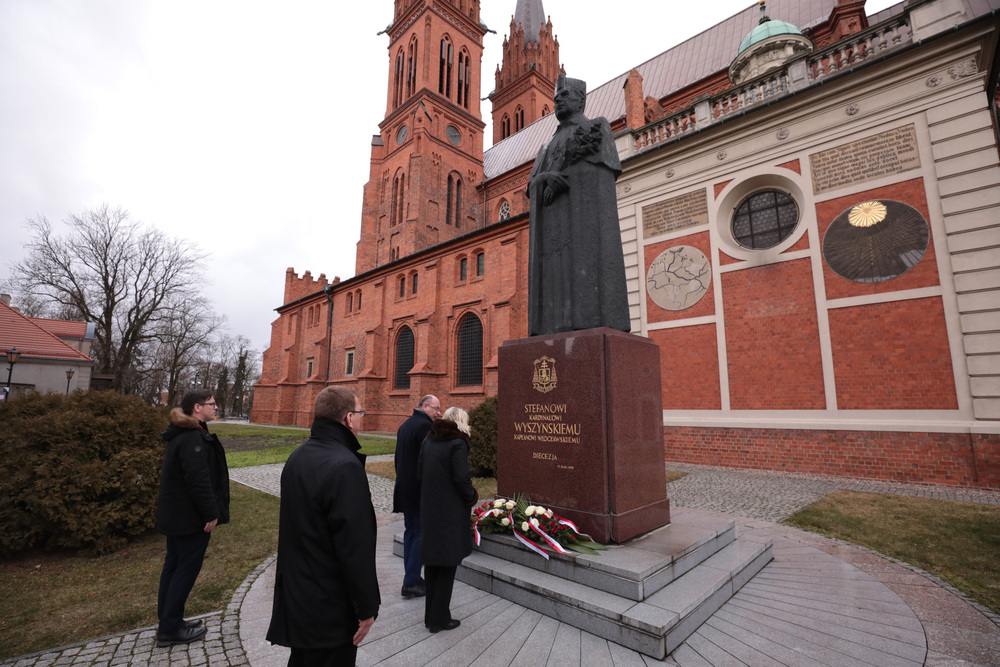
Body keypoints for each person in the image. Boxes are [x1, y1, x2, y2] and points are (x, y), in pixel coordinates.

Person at [266, 386, 380, 666]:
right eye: (361, 413)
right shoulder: (345, 466)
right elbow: (354, 547)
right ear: (348, 418)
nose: (362, 419)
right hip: (330, 605)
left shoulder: (299, 456)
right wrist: (366, 607)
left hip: (300, 597)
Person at [527, 73, 631, 336]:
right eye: (555, 98)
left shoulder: (596, 127)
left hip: (583, 233)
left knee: (583, 292)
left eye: (564, 96)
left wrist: (568, 177)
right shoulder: (544, 147)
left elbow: (602, 177)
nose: (558, 102)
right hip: (551, 238)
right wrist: (546, 178)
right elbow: (529, 187)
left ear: (581, 99)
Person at [155, 388, 230, 648]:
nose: (216, 407)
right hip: (188, 519)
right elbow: (199, 482)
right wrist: (211, 514)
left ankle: (170, 620)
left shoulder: (186, 433)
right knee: (184, 570)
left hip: (178, 516)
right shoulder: (191, 438)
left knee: (173, 567)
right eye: (211, 404)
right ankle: (170, 628)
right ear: (197, 408)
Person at [418, 406, 477, 632]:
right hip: (450, 511)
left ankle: (430, 615)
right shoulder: (458, 443)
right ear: (461, 422)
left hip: (431, 509)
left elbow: (420, 473)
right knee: (448, 564)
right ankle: (439, 619)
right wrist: (471, 497)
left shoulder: (429, 440)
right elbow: (462, 477)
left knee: (433, 563)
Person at [392, 394, 441, 599]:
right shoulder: (423, 426)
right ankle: (411, 582)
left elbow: (398, 458)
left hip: (405, 487)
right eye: (436, 409)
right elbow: (428, 461)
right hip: (419, 490)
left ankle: (411, 577)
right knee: (420, 534)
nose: (439, 413)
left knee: (411, 532)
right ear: (425, 405)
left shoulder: (406, 424)